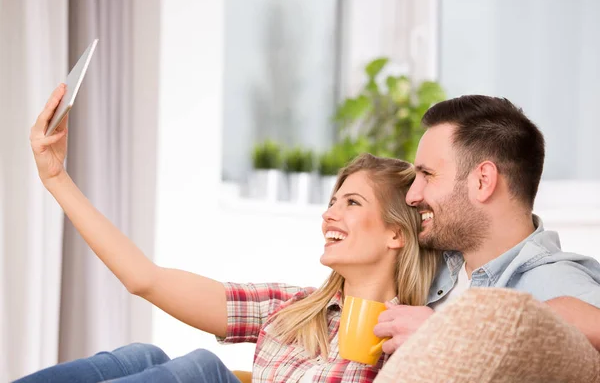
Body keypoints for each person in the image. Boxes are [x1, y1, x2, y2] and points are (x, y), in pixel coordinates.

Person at [16, 84, 439, 382]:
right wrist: (56, 178)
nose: (329, 215)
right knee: (144, 356)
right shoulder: (291, 309)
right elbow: (145, 278)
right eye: (332, 201)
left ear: (396, 234)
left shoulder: (411, 337)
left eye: (352, 203)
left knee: (203, 368)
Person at [373, 94, 600, 358]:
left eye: (427, 175)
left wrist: (444, 333)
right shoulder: (437, 265)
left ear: (483, 181)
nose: (412, 195)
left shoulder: (552, 282)